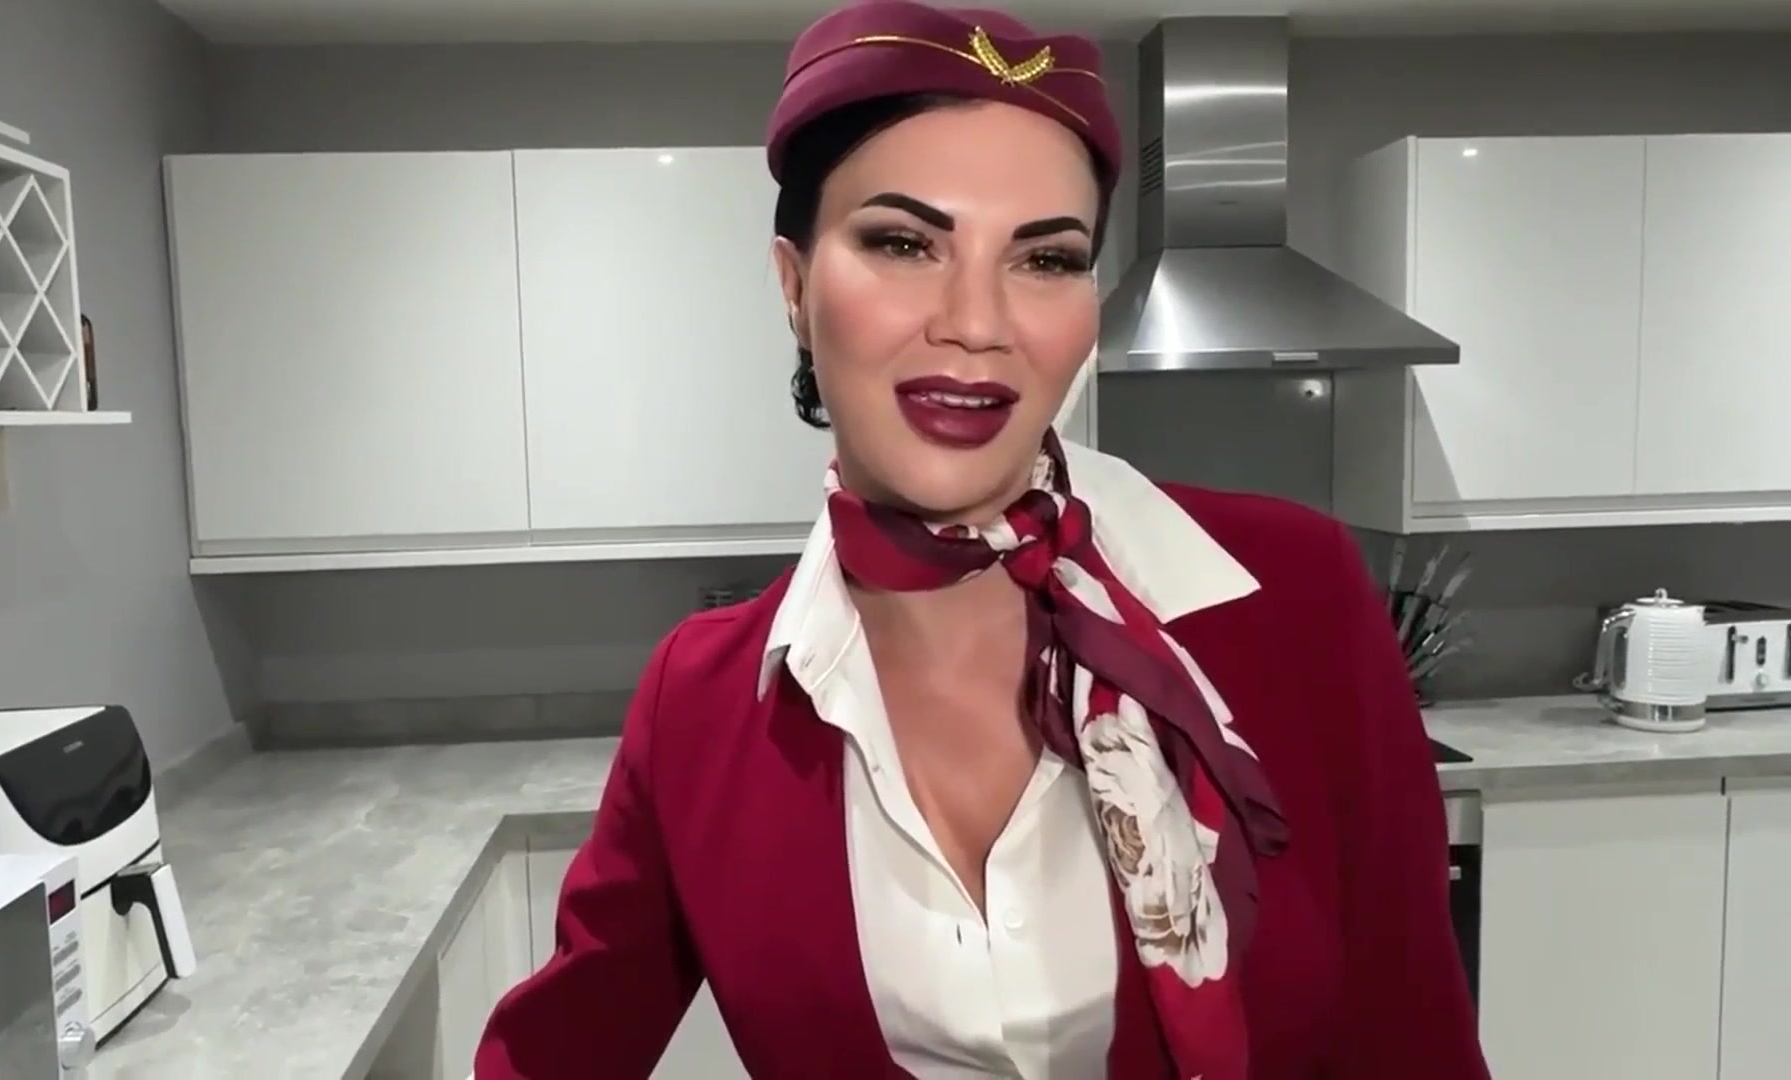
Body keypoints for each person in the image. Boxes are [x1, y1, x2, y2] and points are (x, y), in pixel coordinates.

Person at [474, 1, 1489, 1077]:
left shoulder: (1295, 594)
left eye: (1044, 259)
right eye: (903, 242)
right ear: (795, 287)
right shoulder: (702, 703)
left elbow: (1415, 1041)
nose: (976, 322)